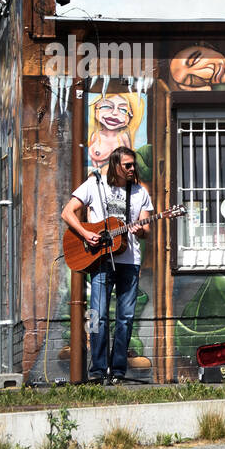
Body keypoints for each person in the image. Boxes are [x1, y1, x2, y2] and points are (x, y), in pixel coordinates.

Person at [61, 146, 154, 385]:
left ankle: (118, 370)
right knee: (97, 316)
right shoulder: (94, 184)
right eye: (127, 165)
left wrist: (140, 230)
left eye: (133, 165)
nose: (132, 169)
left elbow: (146, 229)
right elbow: (67, 212)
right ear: (115, 166)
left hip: (129, 262)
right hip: (100, 260)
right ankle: (98, 369)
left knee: (126, 318)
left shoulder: (140, 192)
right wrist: (85, 233)